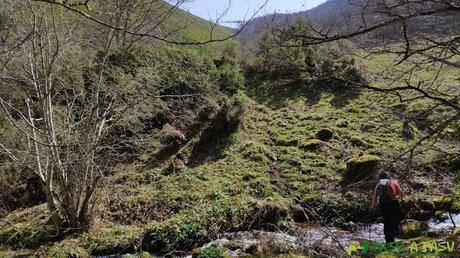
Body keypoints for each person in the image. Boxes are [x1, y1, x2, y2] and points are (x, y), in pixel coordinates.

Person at [371, 171, 403, 243]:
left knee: (386, 222)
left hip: (383, 205)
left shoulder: (379, 184)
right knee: (394, 220)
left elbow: (374, 197)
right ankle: (394, 235)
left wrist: (372, 207)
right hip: (393, 204)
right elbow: (401, 193)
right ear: (388, 177)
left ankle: (388, 240)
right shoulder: (394, 182)